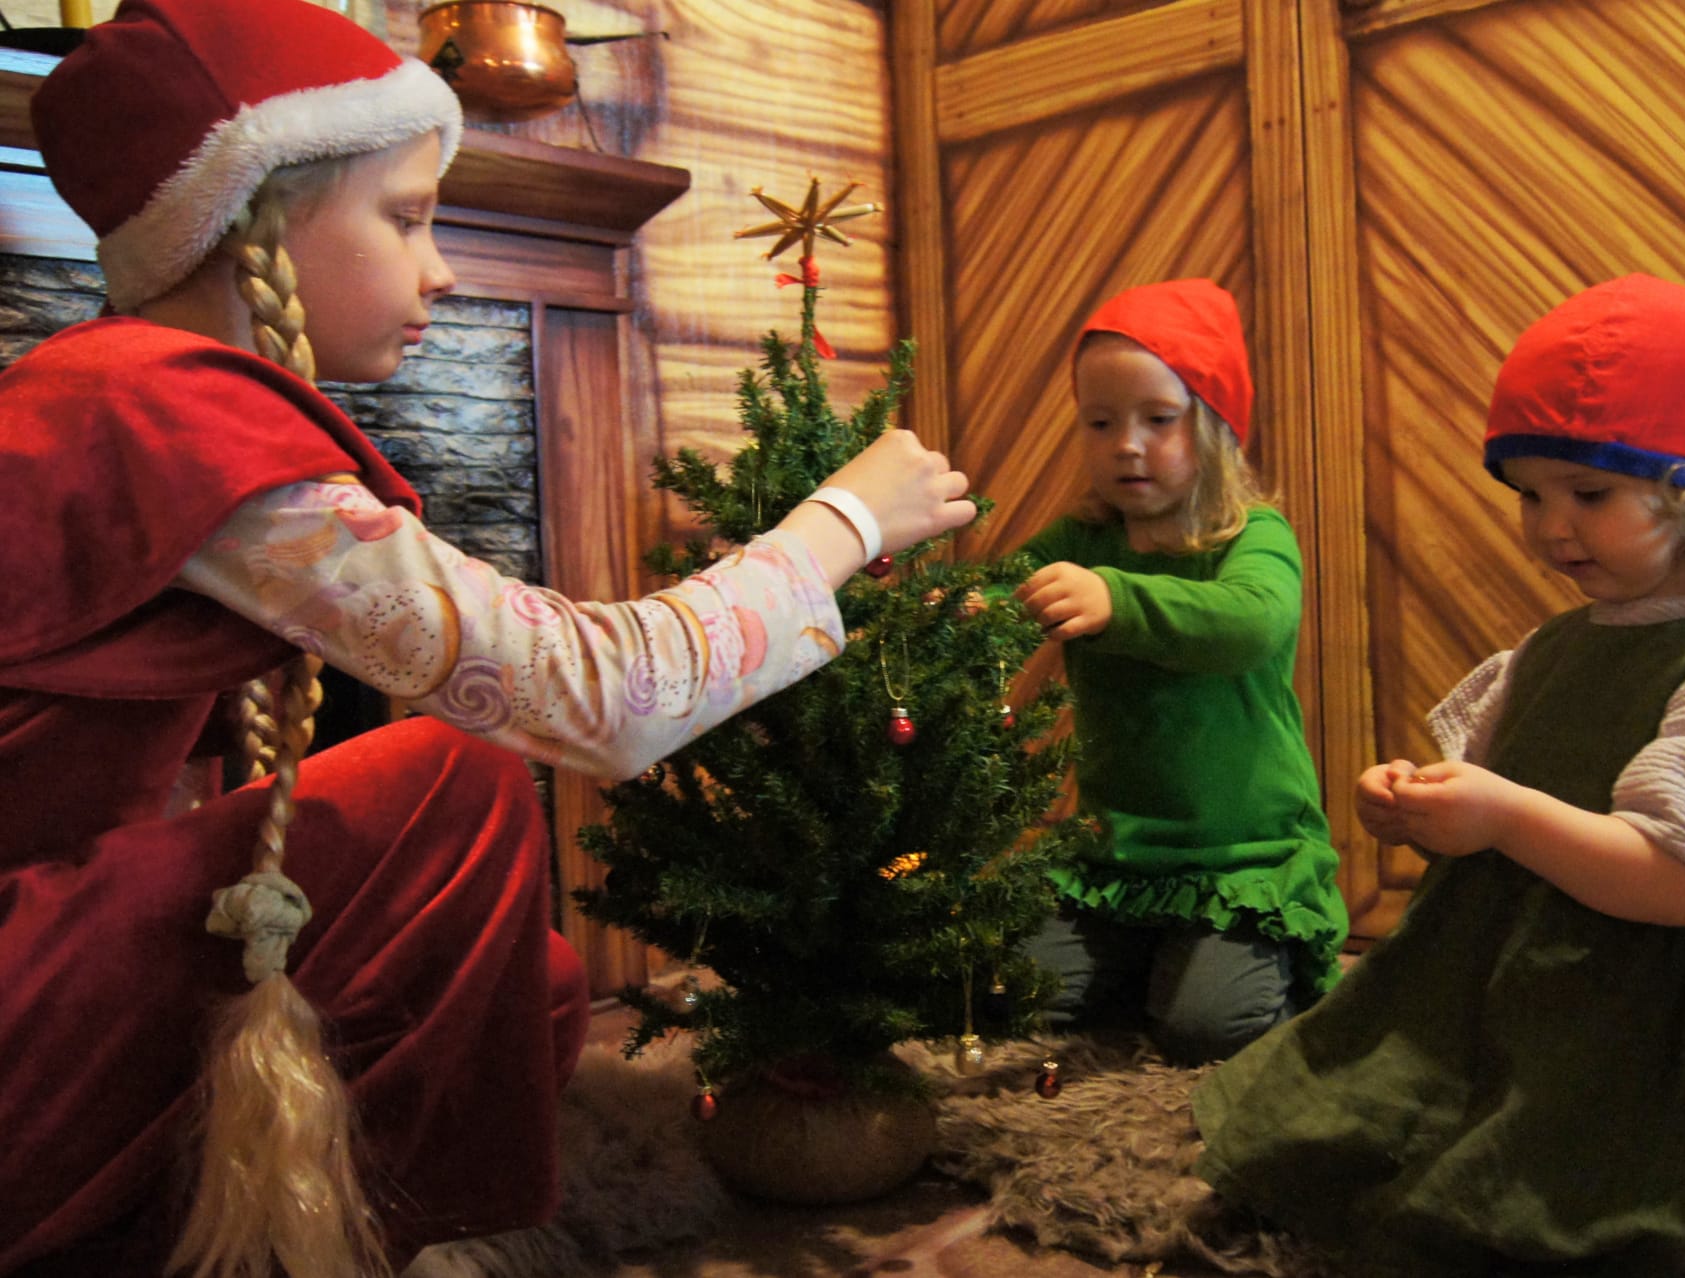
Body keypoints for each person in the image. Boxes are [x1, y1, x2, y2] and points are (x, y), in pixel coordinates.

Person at [0, 1, 976, 1275]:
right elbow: (599, 696)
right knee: (444, 786)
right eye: (405, 217)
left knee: (539, 985)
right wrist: (843, 523)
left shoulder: (103, 393)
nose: (442, 267)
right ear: (260, 229)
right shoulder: (165, 417)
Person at [1191, 273, 1685, 1276]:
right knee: (1345, 1117)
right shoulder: (1552, 649)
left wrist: (1500, 816)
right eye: (1531, 495)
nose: (1549, 528)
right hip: (1504, 970)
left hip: (1640, 997)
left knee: (1516, 1207)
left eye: (1590, 495)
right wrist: (1422, 799)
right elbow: (1499, 778)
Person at [1007, 278, 1348, 1066]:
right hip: (1119, 858)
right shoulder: (1084, 537)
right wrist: (951, 602)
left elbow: (1249, 623)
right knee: (1013, 990)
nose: (1127, 443)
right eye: (1101, 422)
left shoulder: (1252, 536)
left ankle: (1256, 965)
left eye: (1160, 420)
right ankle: (1149, 961)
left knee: (1208, 1032)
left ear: (1217, 425)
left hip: (1243, 859)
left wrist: (1115, 600)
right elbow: (999, 593)